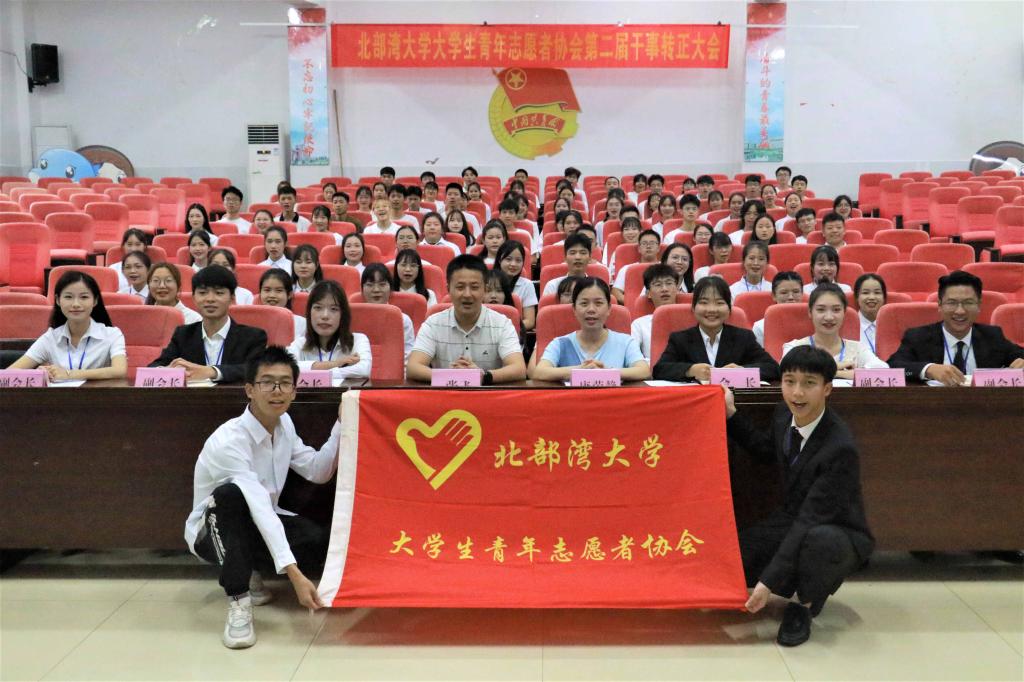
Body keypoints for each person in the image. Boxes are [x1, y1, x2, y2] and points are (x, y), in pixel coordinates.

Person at [187, 346, 340, 649]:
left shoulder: (284, 424)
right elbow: (256, 503)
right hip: (212, 532)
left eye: (284, 383)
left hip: (260, 521)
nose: (276, 391)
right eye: (267, 382)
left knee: (315, 538)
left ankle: (250, 568)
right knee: (231, 495)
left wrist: (341, 424)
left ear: (294, 391)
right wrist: (294, 575)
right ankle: (239, 600)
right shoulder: (230, 441)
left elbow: (317, 471)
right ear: (249, 390)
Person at [723, 345, 874, 647]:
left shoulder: (839, 447)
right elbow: (765, 449)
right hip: (793, 518)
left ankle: (802, 605)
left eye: (809, 383)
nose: (797, 393)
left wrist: (767, 584)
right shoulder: (784, 414)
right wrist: (730, 413)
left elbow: (810, 519)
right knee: (735, 557)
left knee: (818, 543)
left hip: (837, 530)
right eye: (789, 381)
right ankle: (803, 583)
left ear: (827, 388)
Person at [887, 270, 1024, 385]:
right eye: (952, 303)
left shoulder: (993, 336)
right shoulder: (918, 337)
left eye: (968, 303)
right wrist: (928, 369)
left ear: (978, 305)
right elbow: (893, 367)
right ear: (940, 305)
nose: (960, 311)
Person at [406, 255, 527, 384]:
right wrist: (450, 376)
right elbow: (413, 368)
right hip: (445, 393)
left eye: (474, 287)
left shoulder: (502, 324)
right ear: (448, 289)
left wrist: (482, 376)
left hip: (486, 394)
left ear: (485, 289)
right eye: (460, 287)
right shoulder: (433, 323)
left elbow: (519, 369)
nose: (467, 294)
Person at [149, 265, 267, 383]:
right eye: (203, 293)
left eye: (219, 293)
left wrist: (212, 371)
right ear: (194, 298)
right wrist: (167, 370)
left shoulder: (253, 336)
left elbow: (257, 370)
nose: (210, 299)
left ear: (232, 298)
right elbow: (154, 367)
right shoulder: (183, 335)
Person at [652, 276, 780, 382]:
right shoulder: (680, 339)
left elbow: (772, 368)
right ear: (693, 308)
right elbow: (659, 370)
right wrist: (690, 370)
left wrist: (742, 371)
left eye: (719, 303)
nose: (712, 309)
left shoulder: (744, 337)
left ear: (729, 309)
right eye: (704, 302)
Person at [11, 270, 127, 381]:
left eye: (84, 297)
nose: (76, 304)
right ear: (57, 300)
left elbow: (120, 370)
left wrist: (68, 374)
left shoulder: (112, 335)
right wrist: (37, 374)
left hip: (98, 395)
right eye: (68, 297)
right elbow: (10, 373)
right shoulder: (50, 338)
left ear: (95, 300)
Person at [530, 277, 650, 381]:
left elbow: (643, 371)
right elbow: (539, 372)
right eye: (584, 303)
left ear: (609, 309)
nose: (591, 309)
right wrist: (580, 370)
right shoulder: (560, 343)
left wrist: (607, 372)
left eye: (598, 303)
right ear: (574, 309)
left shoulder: (626, 342)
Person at [782, 284, 888, 379]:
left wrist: (837, 373)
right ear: (810, 312)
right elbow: (786, 370)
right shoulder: (795, 347)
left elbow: (884, 371)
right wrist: (836, 369)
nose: (829, 317)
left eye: (836, 310)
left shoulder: (858, 349)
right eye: (821, 310)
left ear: (844, 313)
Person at [286, 280, 371, 381]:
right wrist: (335, 364)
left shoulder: (358, 340)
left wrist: (315, 372)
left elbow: (363, 370)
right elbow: (285, 367)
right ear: (309, 313)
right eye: (318, 308)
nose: (325, 316)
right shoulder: (300, 343)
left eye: (333, 309)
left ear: (343, 315)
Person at [360, 263, 415, 361]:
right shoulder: (354, 319)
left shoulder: (402, 320)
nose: (376, 290)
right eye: (370, 285)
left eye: (382, 284)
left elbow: (407, 357)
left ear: (390, 288)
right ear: (362, 289)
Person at [631, 264, 681, 361]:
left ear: (677, 288)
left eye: (669, 283)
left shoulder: (692, 319)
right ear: (648, 293)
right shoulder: (639, 325)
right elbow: (632, 355)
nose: (664, 289)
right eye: (658, 285)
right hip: (651, 369)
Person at [752, 271, 804, 346]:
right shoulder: (761, 327)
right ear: (774, 296)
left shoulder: (813, 322)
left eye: (796, 292)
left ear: (802, 294)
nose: (790, 297)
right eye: (784, 292)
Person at [495, 240, 537, 331]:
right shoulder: (487, 281)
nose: (513, 264)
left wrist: (506, 330)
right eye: (508, 259)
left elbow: (529, 321)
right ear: (499, 260)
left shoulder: (527, 285)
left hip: (514, 333)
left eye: (518, 260)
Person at [611, 229, 661, 304]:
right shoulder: (627, 269)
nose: (648, 246)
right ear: (639, 248)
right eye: (644, 243)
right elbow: (615, 292)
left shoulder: (666, 268)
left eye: (652, 243)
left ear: (658, 248)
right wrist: (633, 304)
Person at [258, 269, 305, 341]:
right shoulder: (252, 322)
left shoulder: (302, 324)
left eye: (279, 290)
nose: (272, 295)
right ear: (260, 293)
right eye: (267, 290)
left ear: (289, 294)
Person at [853, 273, 886, 356]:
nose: (872, 297)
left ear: (884, 298)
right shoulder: (848, 325)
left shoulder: (892, 326)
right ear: (856, 297)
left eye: (877, 292)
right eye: (865, 293)